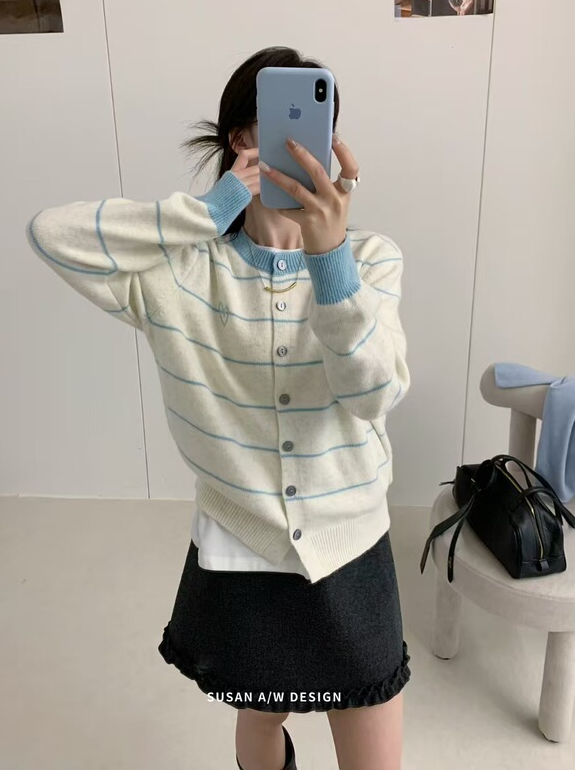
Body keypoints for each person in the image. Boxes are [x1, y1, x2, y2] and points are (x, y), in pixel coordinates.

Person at [27, 46, 412, 770]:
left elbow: (373, 393)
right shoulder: (175, 270)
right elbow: (51, 233)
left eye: (320, 126)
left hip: (350, 544)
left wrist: (331, 258)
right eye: (283, 125)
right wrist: (211, 212)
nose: (307, 145)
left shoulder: (370, 260)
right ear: (242, 139)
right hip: (243, 550)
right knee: (260, 726)